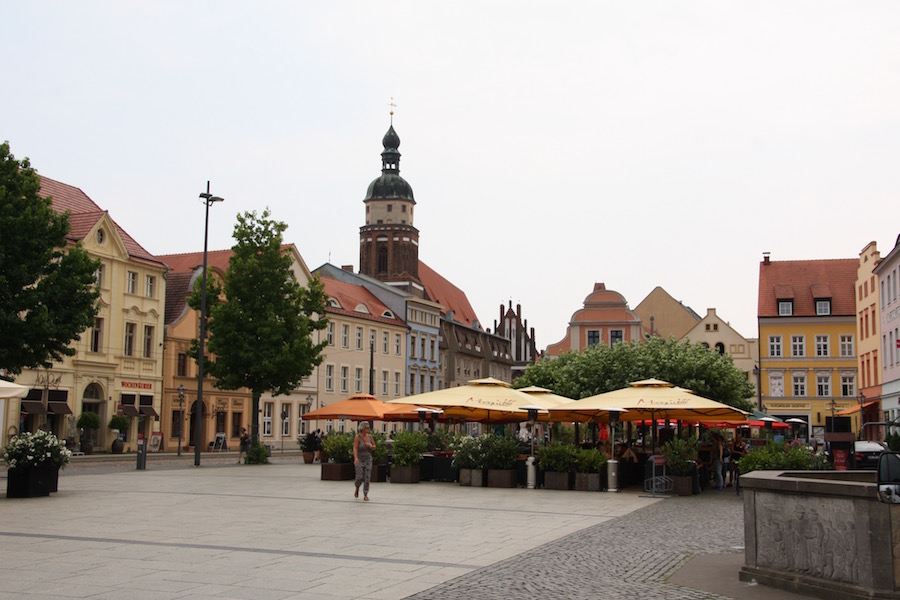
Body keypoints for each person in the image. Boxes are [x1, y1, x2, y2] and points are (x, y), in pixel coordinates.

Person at [353, 422, 376, 501]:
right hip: (359, 458)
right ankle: (357, 486)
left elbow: (374, 447)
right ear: (362, 429)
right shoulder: (357, 437)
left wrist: (370, 445)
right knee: (359, 477)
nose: (368, 429)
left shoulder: (370, 437)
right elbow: (355, 448)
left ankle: (365, 494)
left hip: (368, 459)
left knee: (367, 477)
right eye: (367, 428)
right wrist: (355, 458)